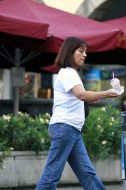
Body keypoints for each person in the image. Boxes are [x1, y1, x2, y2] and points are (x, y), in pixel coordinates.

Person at [36, 36, 120, 190]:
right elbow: (82, 95)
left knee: (88, 174)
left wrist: (101, 95)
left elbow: (85, 97)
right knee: (52, 175)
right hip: (65, 128)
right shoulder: (68, 73)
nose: (85, 55)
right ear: (69, 53)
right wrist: (106, 93)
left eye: (85, 51)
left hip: (71, 129)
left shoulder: (71, 74)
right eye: (81, 51)